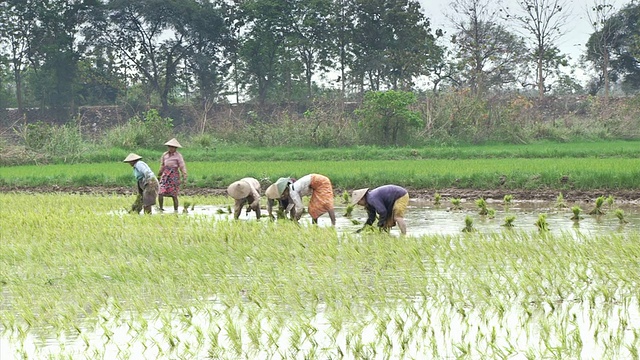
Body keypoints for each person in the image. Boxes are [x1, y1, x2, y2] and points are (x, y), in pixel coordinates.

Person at [157, 138, 187, 212]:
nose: (171, 148)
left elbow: (182, 166)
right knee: (160, 192)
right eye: (170, 146)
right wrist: (159, 174)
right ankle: (161, 208)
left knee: (174, 194)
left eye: (173, 147)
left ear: (176, 148)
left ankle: (176, 210)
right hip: (165, 175)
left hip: (174, 176)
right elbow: (162, 165)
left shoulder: (178, 156)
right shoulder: (165, 155)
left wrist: (184, 176)